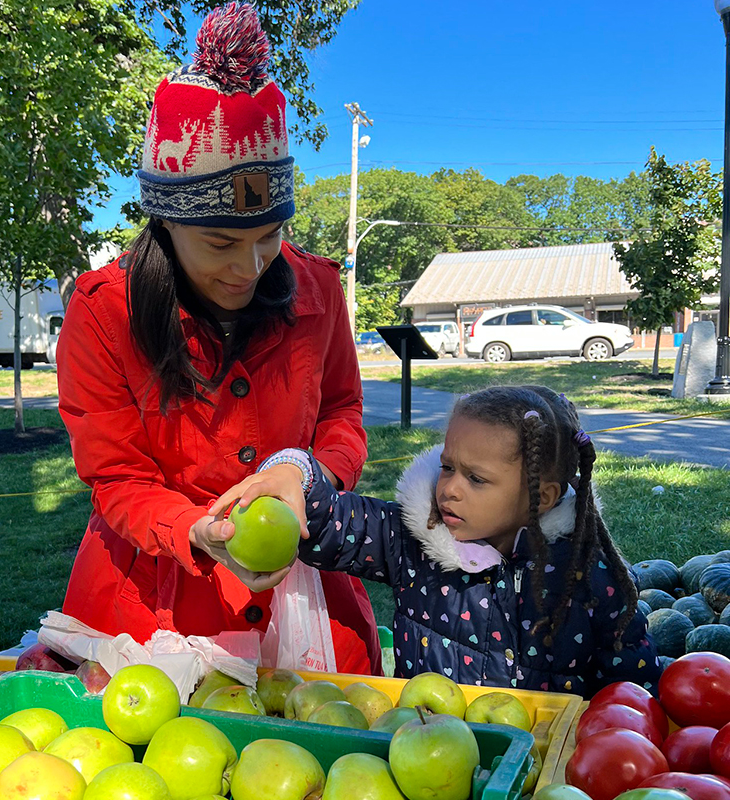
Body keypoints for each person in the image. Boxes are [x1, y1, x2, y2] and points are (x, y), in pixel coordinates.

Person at [56, 2, 380, 674]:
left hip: (306, 591)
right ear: (166, 224)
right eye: (222, 243)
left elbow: (343, 414)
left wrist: (306, 469)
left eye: (270, 236)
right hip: (152, 606)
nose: (249, 267)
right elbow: (117, 477)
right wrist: (193, 529)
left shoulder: (319, 289)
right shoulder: (103, 312)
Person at [211, 386, 663, 698]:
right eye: (448, 466)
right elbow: (331, 519)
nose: (450, 489)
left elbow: (629, 687)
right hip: (423, 752)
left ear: (540, 497)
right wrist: (293, 470)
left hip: (542, 769)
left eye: (476, 478)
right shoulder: (413, 537)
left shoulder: (588, 572)